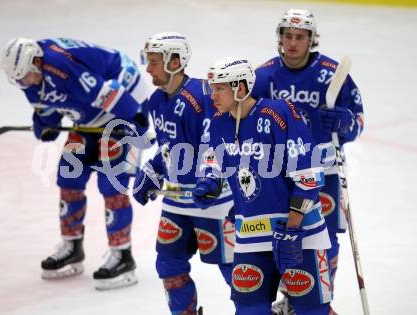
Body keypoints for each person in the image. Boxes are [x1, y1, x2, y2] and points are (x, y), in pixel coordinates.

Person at [1, 37, 152, 290]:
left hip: (120, 108)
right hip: (88, 117)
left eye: (26, 76)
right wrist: (44, 127)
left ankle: (122, 255)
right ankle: (71, 246)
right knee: (69, 177)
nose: (24, 83)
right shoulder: (27, 76)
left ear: (38, 62)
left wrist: (137, 119)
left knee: (111, 183)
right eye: (19, 80)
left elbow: (108, 92)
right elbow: (45, 110)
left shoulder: (63, 68)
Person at [193, 56, 333, 315]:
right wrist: (209, 182)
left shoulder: (277, 113)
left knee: (311, 310)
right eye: (212, 88)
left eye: (220, 88)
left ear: (241, 89)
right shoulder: (218, 123)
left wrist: (293, 224)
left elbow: (309, 171)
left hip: (300, 231)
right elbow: (213, 160)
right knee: (249, 309)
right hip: (251, 233)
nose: (213, 95)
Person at [251, 9, 364, 314]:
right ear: (280, 38)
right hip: (279, 175)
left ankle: (320, 301)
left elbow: (358, 121)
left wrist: (344, 123)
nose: (292, 42)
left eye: (300, 36)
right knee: (287, 236)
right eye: (288, 35)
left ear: (311, 39)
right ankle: (291, 298)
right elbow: (247, 117)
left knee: (325, 242)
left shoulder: (331, 72)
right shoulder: (263, 75)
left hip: (324, 172)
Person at [132, 32, 235, 314]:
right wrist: (153, 171)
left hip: (215, 202)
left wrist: (213, 179)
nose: (148, 69)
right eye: (148, 62)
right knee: (168, 265)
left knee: (236, 272)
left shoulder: (203, 95)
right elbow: (170, 148)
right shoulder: (157, 101)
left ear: (175, 62)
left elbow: (220, 143)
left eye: (154, 62)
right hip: (177, 203)